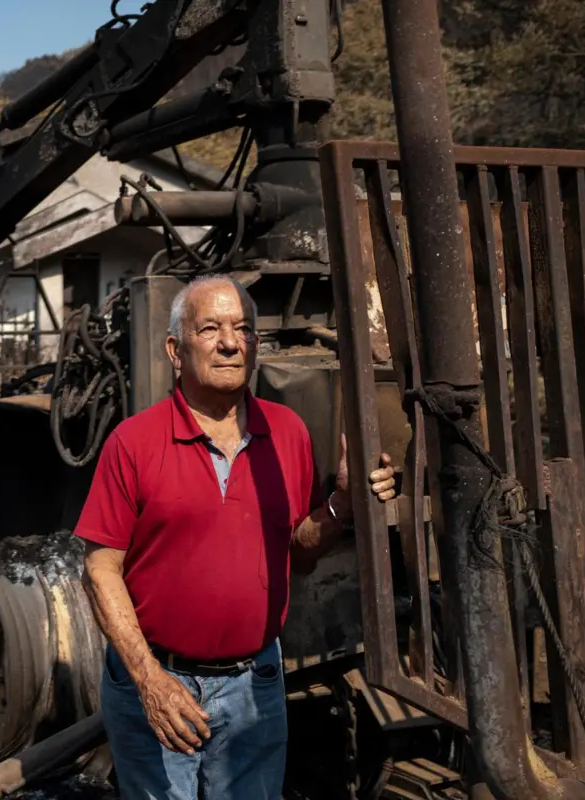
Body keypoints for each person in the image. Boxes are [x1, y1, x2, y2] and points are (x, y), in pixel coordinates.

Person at [74, 274, 396, 799]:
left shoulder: (286, 433)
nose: (230, 342)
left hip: (255, 685)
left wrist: (343, 503)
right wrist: (150, 682)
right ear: (176, 351)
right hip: (160, 682)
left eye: (243, 330)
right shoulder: (133, 442)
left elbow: (296, 553)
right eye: (210, 329)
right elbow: (99, 568)